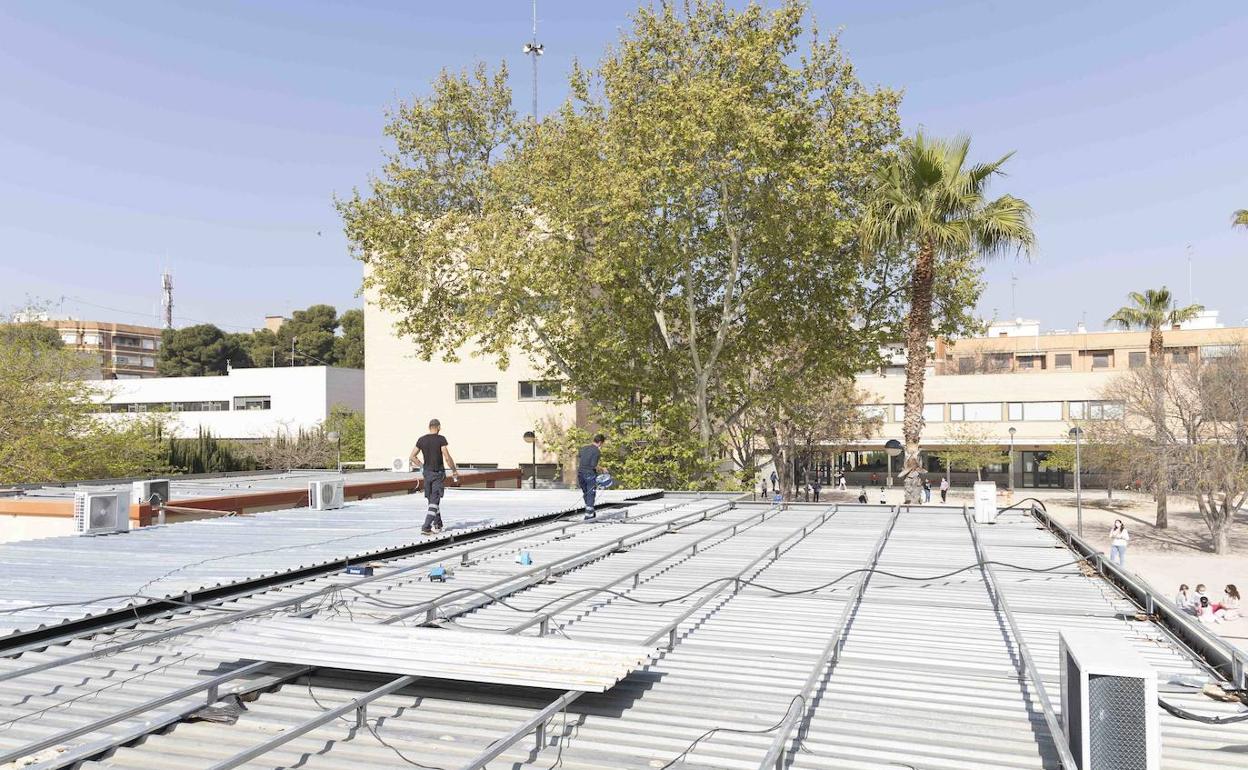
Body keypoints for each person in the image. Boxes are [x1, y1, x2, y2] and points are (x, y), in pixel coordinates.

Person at [410, 418, 459, 536]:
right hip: (438, 474)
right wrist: (454, 471)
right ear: (438, 427)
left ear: (429, 427)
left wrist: (422, 466)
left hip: (427, 474)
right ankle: (426, 527)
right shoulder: (441, 439)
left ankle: (438, 523)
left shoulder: (421, 440)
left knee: (431, 500)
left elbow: (412, 456)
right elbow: (447, 457)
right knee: (435, 500)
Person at [577, 433, 607, 520]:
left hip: (580, 473)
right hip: (589, 474)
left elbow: (580, 455)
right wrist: (602, 469)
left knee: (586, 493)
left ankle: (590, 511)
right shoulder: (597, 451)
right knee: (590, 493)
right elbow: (593, 465)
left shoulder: (584, 448)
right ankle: (589, 515)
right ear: (600, 442)